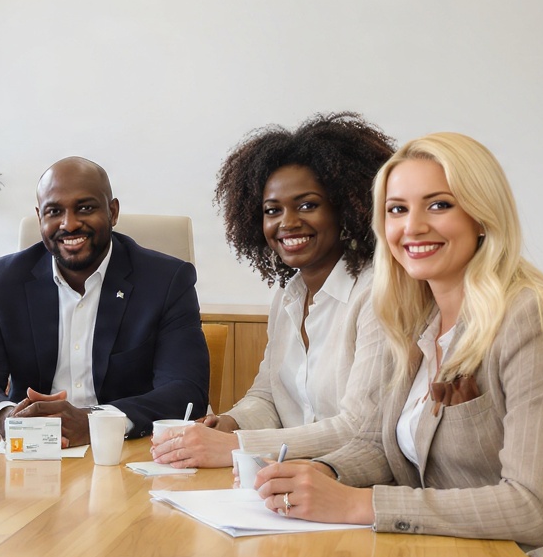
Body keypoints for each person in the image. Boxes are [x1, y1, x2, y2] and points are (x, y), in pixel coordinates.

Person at [253, 132, 543, 557]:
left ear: (482, 215)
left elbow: (531, 508)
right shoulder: (413, 315)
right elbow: (379, 446)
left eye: (439, 205)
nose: (412, 227)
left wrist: (357, 504)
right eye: (396, 209)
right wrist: (321, 474)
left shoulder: (534, 318)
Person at [152, 112, 395, 468]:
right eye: (272, 210)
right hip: (289, 479)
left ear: (345, 208)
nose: (287, 222)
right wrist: (229, 423)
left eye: (308, 205)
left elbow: (359, 427)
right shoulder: (289, 295)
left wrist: (237, 444)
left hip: (352, 483)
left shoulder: (377, 294)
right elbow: (268, 396)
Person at [0, 157, 208, 446]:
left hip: (127, 451)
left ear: (113, 212)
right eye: (54, 211)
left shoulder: (166, 281)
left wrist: (94, 422)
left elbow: (185, 391)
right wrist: (8, 418)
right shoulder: (3, 280)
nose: (69, 224)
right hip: (32, 450)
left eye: (85, 208)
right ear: (40, 217)